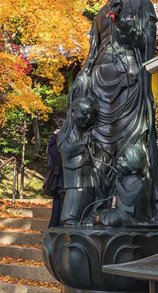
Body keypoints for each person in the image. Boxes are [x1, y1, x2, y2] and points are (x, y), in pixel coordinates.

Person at [58, 0, 158, 227]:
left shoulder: (143, 4)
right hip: (99, 86)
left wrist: (125, 25)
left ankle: (136, 212)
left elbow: (148, 45)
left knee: (131, 148)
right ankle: (97, 209)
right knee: (100, 149)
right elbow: (92, 53)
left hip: (130, 84)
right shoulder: (98, 15)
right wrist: (82, 78)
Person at [59, 96, 99, 225]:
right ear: (73, 111)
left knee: (90, 190)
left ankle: (85, 217)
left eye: (91, 115)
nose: (88, 118)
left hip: (88, 168)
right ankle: (70, 218)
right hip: (74, 169)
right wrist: (82, 144)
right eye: (85, 113)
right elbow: (66, 151)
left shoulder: (87, 132)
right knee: (77, 191)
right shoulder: (65, 133)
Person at [99, 143, 153, 227]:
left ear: (134, 167)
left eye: (124, 158)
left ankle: (102, 218)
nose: (119, 159)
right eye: (121, 156)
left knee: (113, 219)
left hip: (133, 217)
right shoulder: (122, 180)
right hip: (121, 213)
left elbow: (128, 200)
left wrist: (118, 184)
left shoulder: (140, 185)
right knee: (105, 213)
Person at [47, 115, 65, 227]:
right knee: (62, 204)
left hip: (55, 175)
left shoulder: (52, 139)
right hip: (62, 175)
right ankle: (58, 228)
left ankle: (53, 227)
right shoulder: (61, 140)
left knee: (57, 204)